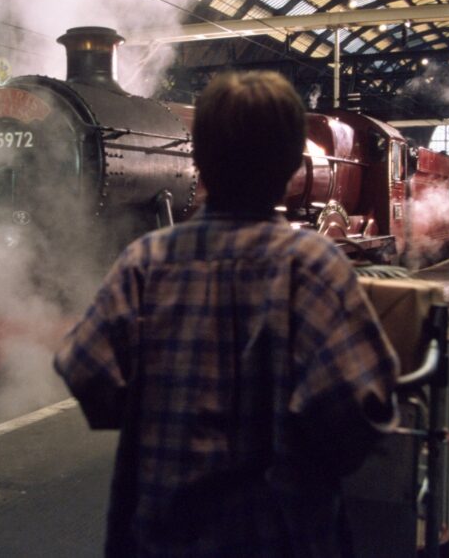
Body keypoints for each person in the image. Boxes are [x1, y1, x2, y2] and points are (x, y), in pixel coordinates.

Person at [54, 71, 399, 557]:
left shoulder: (147, 261)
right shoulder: (314, 267)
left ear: (199, 161)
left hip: (164, 535)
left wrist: (155, 415)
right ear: (289, 167)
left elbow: (85, 370)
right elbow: (358, 410)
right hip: (284, 537)